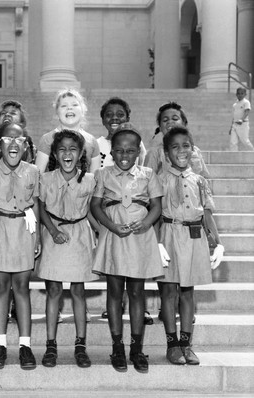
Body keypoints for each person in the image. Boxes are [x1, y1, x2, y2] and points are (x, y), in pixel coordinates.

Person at [90, 123, 164, 374]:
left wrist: (144, 224)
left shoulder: (148, 174)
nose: (124, 155)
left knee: (136, 291)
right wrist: (110, 226)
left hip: (138, 237)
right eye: (119, 151)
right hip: (114, 236)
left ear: (138, 152)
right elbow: (96, 206)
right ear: (111, 152)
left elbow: (156, 206)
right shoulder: (102, 175)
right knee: (114, 291)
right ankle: (117, 346)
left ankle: (136, 347)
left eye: (130, 151)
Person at [157, 127, 224, 365]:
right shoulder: (159, 180)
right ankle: (172, 343)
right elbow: (154, 213)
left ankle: (186, 343)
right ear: (166, 153)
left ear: (192, 149)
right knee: (168, 291)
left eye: (186, 145)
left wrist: (217, 243)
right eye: (174, 147)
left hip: (194, 237)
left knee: (188, 292)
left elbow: (206, 213)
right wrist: (156, 243)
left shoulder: (200, 181)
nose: (181, 151)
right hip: (168, 235)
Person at [0, 122, 41, 370]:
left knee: (22, 287)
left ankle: (25, 346)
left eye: (18, 139)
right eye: (7, 139)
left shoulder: (33, 171)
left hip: (24, 229)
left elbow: (35, 205)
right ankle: (0, 345)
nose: (13, 144)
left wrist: (38, 237)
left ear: (25, 145)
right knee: (1, 286)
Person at [37, 130, 96, 368]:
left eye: (73, 149)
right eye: (62, 149)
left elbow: (91, 211)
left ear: (81, 153)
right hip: (54, 234)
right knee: (53, 290)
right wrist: (52, 231)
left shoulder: (90, 180)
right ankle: (51, 345)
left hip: (80, 236)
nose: (67, 153)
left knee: (78, 291)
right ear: (54, 153)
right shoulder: (46, 178)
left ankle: (80, 345)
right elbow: (40, 207)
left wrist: (102, 233)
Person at [96, 97, 152, 325]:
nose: (115, 118)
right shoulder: (98, 145)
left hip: (134, 213)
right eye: (109, 114)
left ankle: (139, 309)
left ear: (128, 117)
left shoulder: (139, 147)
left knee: (136, 271)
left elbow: (142, 177)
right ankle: (115, 309)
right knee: (114, 270)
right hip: (110, 211)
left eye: (120, 114)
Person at [35, 88, 100, 173]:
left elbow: (95, 177)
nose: (69, 108)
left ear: (83, 110)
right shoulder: (47, 139)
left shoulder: (91, 141)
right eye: (64, 106)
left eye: (74, 105)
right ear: (57, 113)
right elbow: (37, 175)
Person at [145, 102, 209, 178]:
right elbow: (147, 180)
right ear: (160, 127)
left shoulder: (194, 150)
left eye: (175, 119)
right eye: (165, 120)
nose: (170, 122)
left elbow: (205, 179)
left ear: (184, 123)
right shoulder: (154, 152)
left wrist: (196, 167)